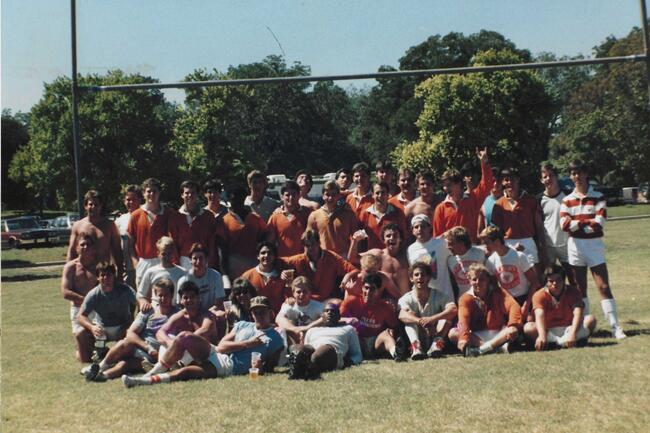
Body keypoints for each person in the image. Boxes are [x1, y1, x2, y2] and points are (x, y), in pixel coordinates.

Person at [122, 294, 283, 387]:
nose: (258, 315)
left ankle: (141, 382)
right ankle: (152, 372)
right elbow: (221, 346)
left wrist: (260, 369)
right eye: (255, 312)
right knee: (184, 336)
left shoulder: (276, 338)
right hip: (218, 354)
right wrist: (249, 344)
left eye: (262, 311)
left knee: (185, 374)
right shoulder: (242, 325)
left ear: (271, 312)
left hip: (228, 368)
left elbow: (271, 366)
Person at [560, 159, 626, 339]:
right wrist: (585, 221)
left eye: (579, 172)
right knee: (580, 289)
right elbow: (564, 225)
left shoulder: (598, 197)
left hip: (594, 247)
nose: (576, 176)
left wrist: (577, 223)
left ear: (585, 173)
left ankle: (615, 327)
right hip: (575, 248)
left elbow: (598, 224)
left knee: (603, 286)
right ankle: (586, 326)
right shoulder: (567, 200)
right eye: (573, 173)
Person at [84, 278, 179, 382]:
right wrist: (148, 348)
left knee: (125, 364)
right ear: (156, 295)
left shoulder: (177, 314)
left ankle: (104, 376)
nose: (163, 298)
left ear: (172, 295)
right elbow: (130, 333)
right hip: (142, 348)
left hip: (159, 355)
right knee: (125, 343)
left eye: (166, 295)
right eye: (160, 295)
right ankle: (100, 368)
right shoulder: (148, 311)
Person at [449, 263, 522, 357]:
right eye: (474, 279)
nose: (478, 282)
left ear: (488, 280)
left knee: (512, 329)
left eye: (482, 279)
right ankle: (493, 348)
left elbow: (514, 306)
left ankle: (481, 350)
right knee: (453, 333)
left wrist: (513, 324)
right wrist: (463, 338)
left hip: (500, 333)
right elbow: (463, 320)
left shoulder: (498, 292)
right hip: (477, 336)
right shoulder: (465, 298)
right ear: (469, 280)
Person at [523, 265, 596, 350]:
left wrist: (572, 333)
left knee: (590, 319)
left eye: (558, 280)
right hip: (548, 330)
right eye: (551, 281)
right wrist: (542, 336)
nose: (555, 284)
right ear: (546, 282)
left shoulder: (574, 292)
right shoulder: (538, 295)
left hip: (569, 328)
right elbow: (539, 316)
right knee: (528, 328)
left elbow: (578, 314)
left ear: (564, 280)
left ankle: (556, 344)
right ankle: (566, 342)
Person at [76, 262, 137, 362]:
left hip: (122, 327)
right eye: (102, 275)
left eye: (108, 274)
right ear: (98, 278)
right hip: (102, 328)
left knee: (125, 354)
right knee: (80, 334)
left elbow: (140, 302)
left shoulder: (125, 289)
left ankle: (120, 353)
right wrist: (92, 327)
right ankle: (100, 351)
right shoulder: (93, 294)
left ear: (114, 275)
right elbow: (80, 316)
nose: (106, 278)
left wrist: (131, 323)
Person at [287, 301, 363, 380]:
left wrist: (347, 362)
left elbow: (357, 354)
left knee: (318, 354)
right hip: (313, 350)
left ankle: (309, 370)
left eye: (333, 311)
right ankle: (296, 372)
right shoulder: (312, 330)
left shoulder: (348, 329)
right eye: (326, 311)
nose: (329, 313)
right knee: (297, 349)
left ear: (339, 316)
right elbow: (307, 347)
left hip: (332, 351)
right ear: (322, 316)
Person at [491, 167, 548, 271]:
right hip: (508, 244)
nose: (510, 183)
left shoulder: (531, 201)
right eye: (507, 180)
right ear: (503, 182)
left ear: (518, 180)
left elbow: (539, 227)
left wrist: (543, 251)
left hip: (528, 243)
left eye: (513, 179)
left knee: (534, 277)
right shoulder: (498, 204)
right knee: (514, 279)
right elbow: (497, 231)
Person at [398, 262, 457, 360]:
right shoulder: (405, 298)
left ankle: (436, 345)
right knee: (409, 319)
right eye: (416, 275)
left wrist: (433, 319)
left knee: (447, 318)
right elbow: (401, 315)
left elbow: (453, 309)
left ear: (428, 278)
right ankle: (416, 348)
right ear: (411, 279)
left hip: (436, 334)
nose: (420, 277)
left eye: (423, 274)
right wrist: (420, 321)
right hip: (417, 335)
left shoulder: (438, 295)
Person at [433, 147, 492, 243]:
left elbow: (487, 184)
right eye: (444, 186)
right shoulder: (440, 209)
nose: (445, 188)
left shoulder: (473, 199)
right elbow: (437, 238)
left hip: (470, 250)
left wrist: (484, 163)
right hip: (450, 252)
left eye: (449, 185)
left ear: (459, 184)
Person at [341, 273, 404, 361]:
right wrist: (348, 320)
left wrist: (393, 333)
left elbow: (395, 327)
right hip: (357, 341)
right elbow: (337, 319)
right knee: (350, 332)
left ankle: (396, 353)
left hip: (375, 342)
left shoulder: (385, 307)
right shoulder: (351, 301)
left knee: (386, 335)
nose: (368, 292)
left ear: (378, 290)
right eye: (366, 288)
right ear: (362, 287)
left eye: (372, 289)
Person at [479, 226, 540, 318]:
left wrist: (526, 305)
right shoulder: (491, 261)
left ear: (497, 242)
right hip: (508, 300)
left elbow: (535, 282)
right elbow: (494, 286)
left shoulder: (519, 257)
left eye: (487, 243)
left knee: (528, 328)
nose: (485, 247)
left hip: (525, 297)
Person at [281, 230, 357, 301]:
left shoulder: (332, 257)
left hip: (326, 301)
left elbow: (355, 270)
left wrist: (348, 275)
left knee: (337, 304)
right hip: (304, 301)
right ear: (303, 246)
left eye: (313, 243)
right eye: (307, 245)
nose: (311, 247)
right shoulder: (298, 260)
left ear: (319, 243)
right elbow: (277, 261)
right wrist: (282, 273)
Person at [128, 178, 176, 286]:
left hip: (163, 261)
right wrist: (136, 263)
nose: (151, 194)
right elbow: (130, 244)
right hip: (143, 262)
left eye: (155, 191)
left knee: (164, 295)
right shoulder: (136, 215)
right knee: (143, 298)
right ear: (144, 193)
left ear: (159, 193)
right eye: (149, 191)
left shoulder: (169, 213)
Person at [67, 190, 123, 279]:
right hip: (84, 274)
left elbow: (117, 252)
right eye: (90, 204)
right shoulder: (78, 226)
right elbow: (72, 252)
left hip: (104, 275)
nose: (93, 207)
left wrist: (119, 274)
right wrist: (68, 274)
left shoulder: (109, 225)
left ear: (101, 206)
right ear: (85, 206)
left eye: (96, 204)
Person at [61, 234, 98, 362]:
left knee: (95, 346)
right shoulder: (70, 267)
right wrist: (86, 301)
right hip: (78, 310)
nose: (85, 247)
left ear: (94, 248)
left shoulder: (99, 267)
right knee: (83, 357)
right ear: (76, 248)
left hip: (97, 310)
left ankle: (100, 351)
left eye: (89, 244)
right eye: (82, 244)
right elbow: (65, 292)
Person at [221, 184, 269, 280]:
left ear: (244, 198)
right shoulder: (224, 220)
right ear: (230, 200)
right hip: (234, 264)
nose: (237, 201)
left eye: (240, 198)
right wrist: (224, 273)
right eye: (234, 198)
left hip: (254, 261)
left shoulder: (254, 217)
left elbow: (266, 235)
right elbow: (222, 249)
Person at [168, 180, 217, 270]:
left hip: (203, 260)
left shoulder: (208, 216)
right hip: (183, 262)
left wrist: (210, 262)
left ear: (198, 195)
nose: (190, 195)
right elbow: (173, 244)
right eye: (187, 193)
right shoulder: (175, 217)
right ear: (182, 195)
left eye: (193, 193)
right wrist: (176, 265)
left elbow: (212, 243)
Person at [406, 214, 454, 302]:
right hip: (423, 299)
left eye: (423, 226)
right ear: (412, 231)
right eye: (416, 227)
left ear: (429, 228)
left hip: (445, 296)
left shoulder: (442, 244)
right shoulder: (410, 249)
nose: (419, 229)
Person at [307, 180, 358, 258]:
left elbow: (356, 238)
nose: (330, 198)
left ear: (339, 196)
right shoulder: (314, 215)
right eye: (327, 194)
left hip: (343, 258)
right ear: (323, 196)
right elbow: (308, 239)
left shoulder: (348, 214)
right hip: (323, 257)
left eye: (334, 194)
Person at [539, 163, 572, 280]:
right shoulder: (539, 200)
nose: (548, 179)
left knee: (574, 281)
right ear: (541, 180)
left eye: (551, 175)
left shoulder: (568, 196)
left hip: (567, 245)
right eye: (545, 177)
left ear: (556, 177)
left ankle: (579, 299)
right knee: (550, 282)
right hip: (548, 248)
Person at [136, 236, 186, 312]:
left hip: (175, 310)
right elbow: (141, 294)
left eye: (169, 253)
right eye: (163, 254)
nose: (166, 257)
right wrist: (144, 302)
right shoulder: (151, 272)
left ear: (173, 254)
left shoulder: (182, 273)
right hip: (155, 309)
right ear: (158, 254)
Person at [241, 242, 290, 315]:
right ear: (258, 256)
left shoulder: (282, 276)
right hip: (255, 319)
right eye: (263, 253)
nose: (266, 255)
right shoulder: (247, 276)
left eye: (270, 253)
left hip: (279, 318)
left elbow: (289, 299)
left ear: (274, 256)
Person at [356, 182, 408, 251]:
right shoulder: (365, 214)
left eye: (383, 192)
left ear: (388, 195)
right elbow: (359, 240)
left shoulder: (398, 213)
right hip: (372, 257)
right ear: (372, 195)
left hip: (392, 256)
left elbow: (403, 237)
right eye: (377, 193)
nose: (380, 195)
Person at [176, 243, 225, 312]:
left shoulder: (216, 276)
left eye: (201, 258)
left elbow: (219, 303)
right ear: (190, 260)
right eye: (195, 258)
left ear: (207, 259)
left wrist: (205, 315)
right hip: (190, 314)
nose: (198, 262)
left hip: (211, 313)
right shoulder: (183, 280)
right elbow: (180, 305)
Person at [267, 180, 311, 256]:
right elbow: (269, 243)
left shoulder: (308, 214)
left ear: (299, 195)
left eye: (294, 194)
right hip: (282, 263)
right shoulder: (275, 217)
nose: (291, 198)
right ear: (282, 197)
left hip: (303, 262)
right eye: (287, 195)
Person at [276, 277, 325, 345]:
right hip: (294, 340)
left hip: (312, 339)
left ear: (310, 292)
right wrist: (295, 330)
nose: (301, 294)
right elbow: (278, 319)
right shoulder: (288, 305)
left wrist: (306, 328)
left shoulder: (318, 306)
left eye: (305, 291)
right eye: (298, 292)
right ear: (293, 293)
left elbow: (326, 318)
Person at [445, 226, 487, 300]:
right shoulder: (450, 260)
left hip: (483, 298)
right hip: (464, 300)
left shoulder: (481, 253)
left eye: (450, 244)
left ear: (461, 243)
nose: (447, 247)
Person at [114, 184, 143, 288]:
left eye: (134, 199)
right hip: (127, 269)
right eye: (128, 199)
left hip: (143, 266)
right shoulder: (119, 221)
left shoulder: (146, 216)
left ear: (140, 199)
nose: (130, 202)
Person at [477, 167, 502, 238]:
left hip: (508, 243)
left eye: (499, 181)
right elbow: (480, 230)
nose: (496, 183)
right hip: (490, 243)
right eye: (493, 180)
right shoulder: (483, 202)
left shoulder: (509, 200)